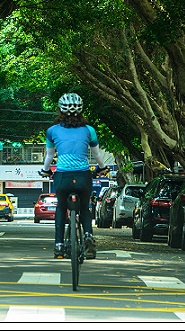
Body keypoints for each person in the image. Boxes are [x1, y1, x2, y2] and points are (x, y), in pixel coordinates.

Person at [41, 93, 109, 259]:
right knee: (84, 208)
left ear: (60, 110)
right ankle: (88, 236)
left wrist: (45, 170)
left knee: (61, 208)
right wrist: (102, 168)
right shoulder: (89, 130)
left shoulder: (52, 131)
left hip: (63, 177)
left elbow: (49, 157)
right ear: (81, 110)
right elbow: (97, 155)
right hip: (83, 176)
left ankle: (58, 245)